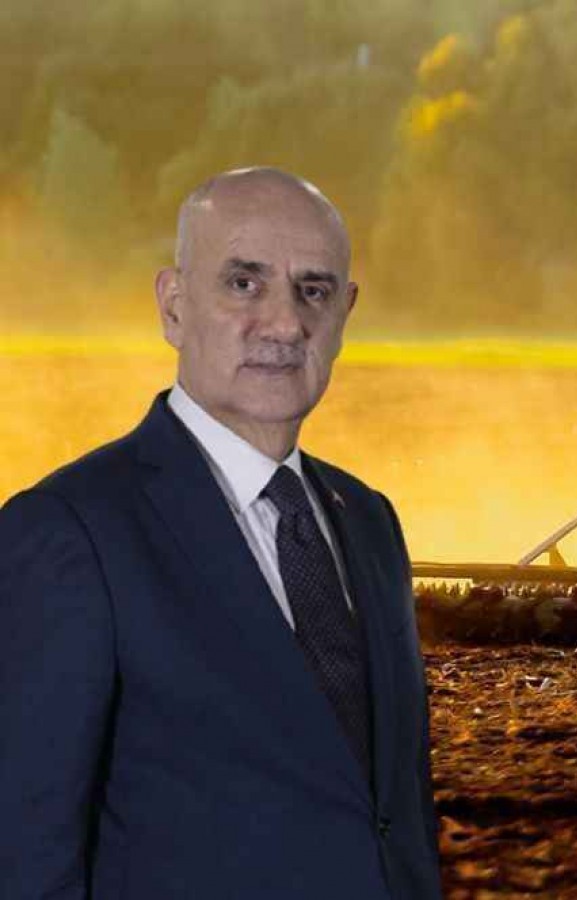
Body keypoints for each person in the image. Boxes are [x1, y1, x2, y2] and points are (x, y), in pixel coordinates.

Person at [0, 168, 442, 898]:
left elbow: (392, 817)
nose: (283, 323)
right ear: (172, 306)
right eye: (244, 284)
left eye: (314, 290)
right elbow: (22, 854)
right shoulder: (69, 533)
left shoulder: (369, 523)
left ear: (345, 314)